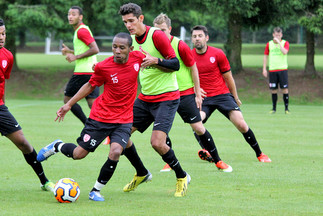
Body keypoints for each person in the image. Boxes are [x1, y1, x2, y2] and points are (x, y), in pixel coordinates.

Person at [37, 33, 151, 202]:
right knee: (78, 154)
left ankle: (95, 191)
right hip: (100, 117)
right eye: (114, 47)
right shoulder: (104, 67)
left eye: (122, 48)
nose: (117, 51)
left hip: (124, 119)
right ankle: (57, 146)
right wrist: (68, 104)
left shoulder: (138, 58)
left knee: (116, 151)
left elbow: (158, 60)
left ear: (130, 49)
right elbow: (90, 85)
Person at [119, 3, 190, 197]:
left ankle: (182, 176)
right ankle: (141, 173)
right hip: (144, 99)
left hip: (167, 97)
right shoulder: (131, 40)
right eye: (125, 22)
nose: (128, 25)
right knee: (120, 137)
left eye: (131, 21)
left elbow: (175, 63)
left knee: (157, 143)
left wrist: (156, 61)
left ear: (141, 19)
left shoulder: (156, 35)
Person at [153, 13, 232, 173]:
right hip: (164, 93)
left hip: (184, 93)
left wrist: (197, 93)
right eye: (156, 31)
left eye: (162, 30)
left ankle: (218, 161)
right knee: (162, 130)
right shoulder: (154, 46)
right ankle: (169, 161)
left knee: (198, 128)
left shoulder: (180, 45)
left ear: (169, 29)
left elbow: (193, 68)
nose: (159, 34)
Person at [191, 25, 271, 163]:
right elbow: (184, 78)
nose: (197, 39)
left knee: (241, 124)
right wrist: (194, 90)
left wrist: (235, 97)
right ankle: (207, 151)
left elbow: (228, 77)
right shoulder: (189, 56)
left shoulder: (218, 54)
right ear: (192, 39)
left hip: (222, 95)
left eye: (200, 36)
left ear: (207, 38)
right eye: (194, 36)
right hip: (204, 98)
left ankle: (260, 154)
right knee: (197, 121)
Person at [0, 18, 54, 192]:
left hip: (0, 109)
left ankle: (44, 181)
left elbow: (3, 83)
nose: (2, 37)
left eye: (3, 33)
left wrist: (4, 107)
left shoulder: (7, 56)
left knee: (23, 143)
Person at [61, 6, 100, 124]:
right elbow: (85, 50)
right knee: (92, 103)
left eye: (73, 14)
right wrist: (71, 52)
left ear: (80, 17)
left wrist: (75, 57)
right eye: (69, 14)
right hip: (92, 70)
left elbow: (95, 49)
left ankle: (87, 124)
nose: (70, 16)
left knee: (68, 99)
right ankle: (105, 125)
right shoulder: (82, 29)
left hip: (83, 72)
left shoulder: (81, 31)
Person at [262, 27, 290, 114]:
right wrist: (264, 69)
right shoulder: (269, 44)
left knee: (284, 89)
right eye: (276, 35)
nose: (277, 36)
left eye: (279, 35)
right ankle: (274, 109)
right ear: (273, 35)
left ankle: (286, 109)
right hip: (272, 70)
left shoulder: (285, 43)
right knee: (273, 89)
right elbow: (265, 56)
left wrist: (279, 43)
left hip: (282, 69)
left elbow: (285, 52)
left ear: (281, 35)